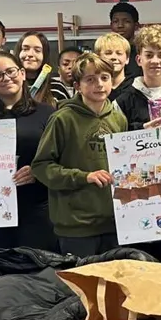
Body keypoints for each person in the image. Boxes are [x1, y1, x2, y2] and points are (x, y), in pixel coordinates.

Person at [31, 53, 127, 257]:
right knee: (80, 287)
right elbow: (41, 166)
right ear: (77, 85)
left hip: (115, 223)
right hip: (76, 226)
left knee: (113, 285)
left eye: (104, 78)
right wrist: (84, 177)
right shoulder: (62, 119)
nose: (99, 84)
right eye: (90, 79)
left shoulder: (119, 119)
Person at [0, 51, 57, 251]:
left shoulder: (47, 113)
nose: (6, 78)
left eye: (11, 71)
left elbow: (60, 156)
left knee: (35, 270)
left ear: (23, 73)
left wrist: (37, 171)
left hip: (35, 206)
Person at [15, 31, 56, 105]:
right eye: (25, 49)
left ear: (45, 55)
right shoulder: (9, 85)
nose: (30, 54)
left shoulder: (57, 86)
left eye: (37, 50)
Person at [97, 32, 135, 102]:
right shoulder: (93, 88)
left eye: (119, 53)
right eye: (108, 53)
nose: (114, 57)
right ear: (98, 58)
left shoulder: (135, 88)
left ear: (127, 59)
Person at [110, 2, 142, 79]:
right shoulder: (106, 53)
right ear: (111, 25)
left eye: (126, 21)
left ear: (136, 26)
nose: (120, 25)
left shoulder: (142, 52)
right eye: (116, 21)